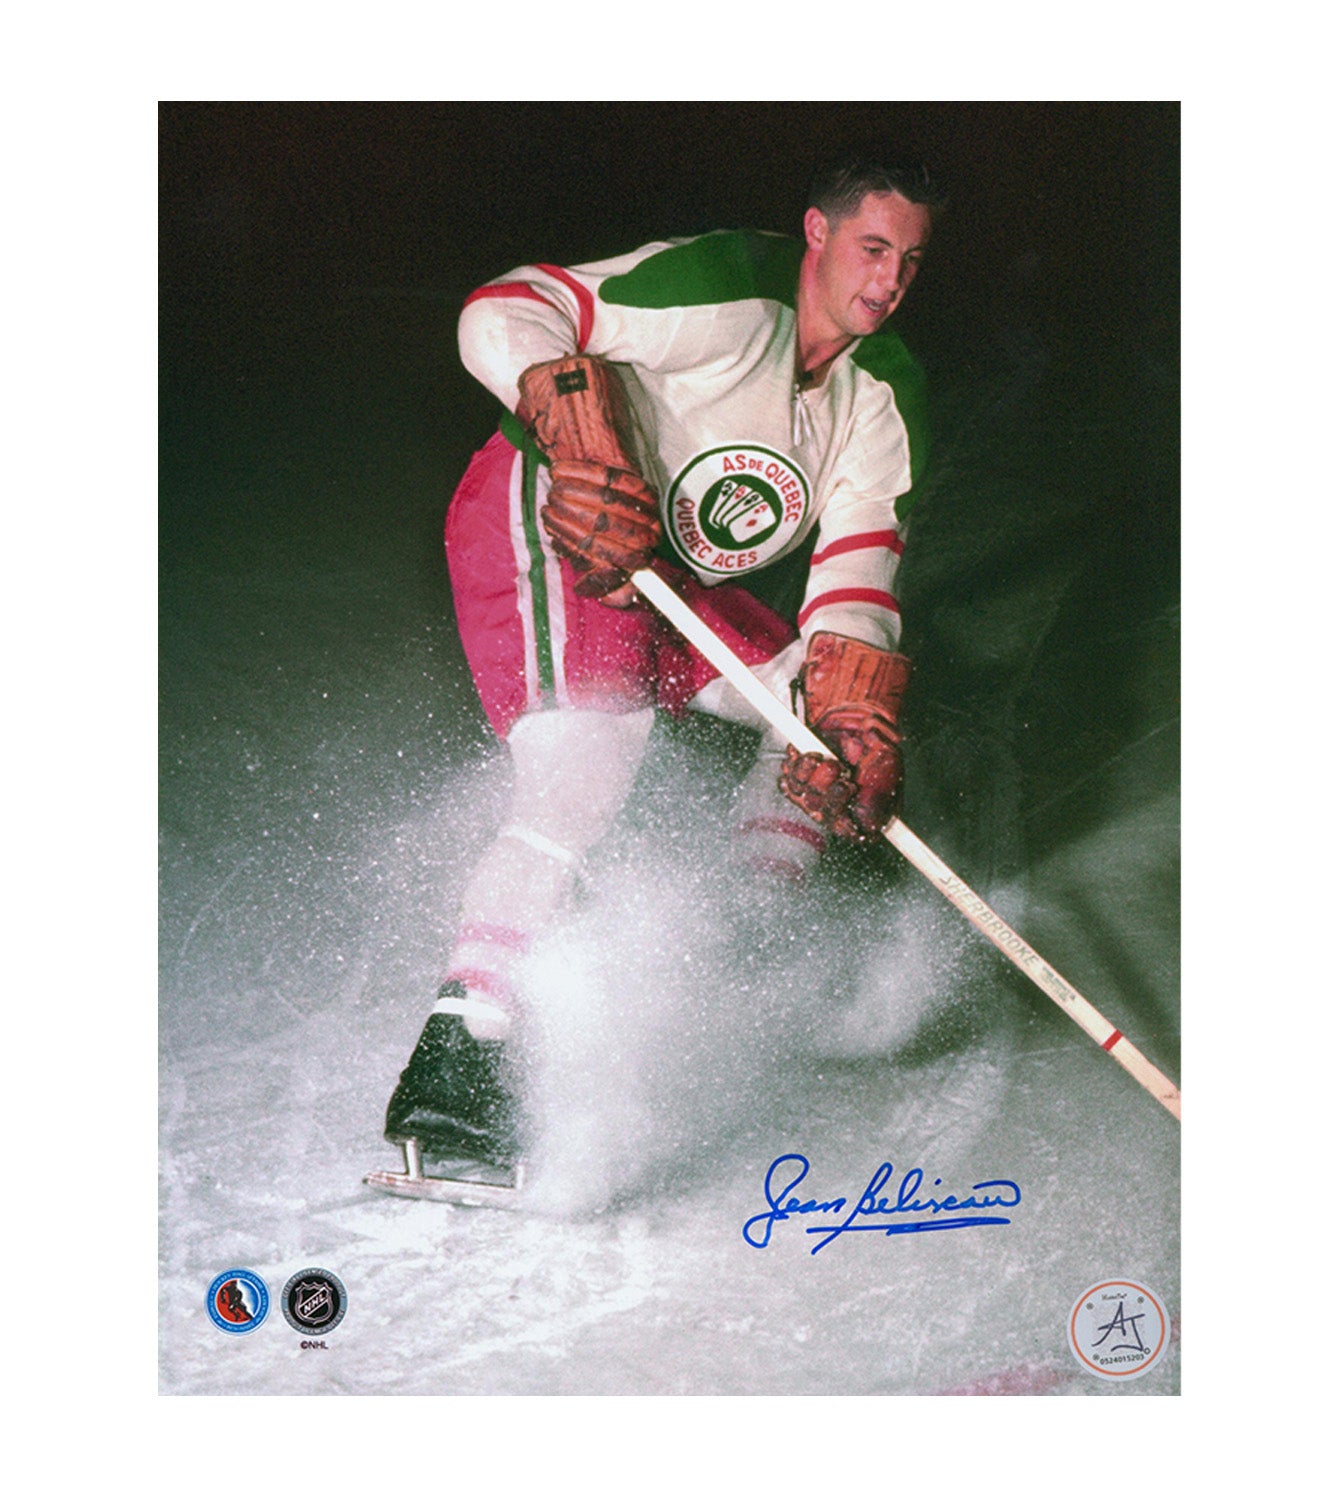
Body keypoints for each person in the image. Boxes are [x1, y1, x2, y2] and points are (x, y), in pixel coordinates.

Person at [381, 152, 944, 1183]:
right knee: (586, 764)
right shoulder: (723, 289)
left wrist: (850, 706)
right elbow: (508, 307)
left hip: (662, 574)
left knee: (815, 722)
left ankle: (740, 943)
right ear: (817, 233)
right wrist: (568, 425)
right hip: (550, 522)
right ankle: (461, 1050)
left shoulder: (882, 391)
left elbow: (859, 569)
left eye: (909, 259)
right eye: (872, 248)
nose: (888, 279)